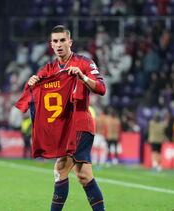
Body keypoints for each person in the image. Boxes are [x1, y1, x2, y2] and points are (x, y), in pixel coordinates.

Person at [21, 25, 106, 211]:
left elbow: (101, 88)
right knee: (84, 176)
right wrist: (31, 84)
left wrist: (83, 77)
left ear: (70, 42)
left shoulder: (84, 63)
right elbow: (33, 95)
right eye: (55, 41)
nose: (59, 44)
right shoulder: (48, 69)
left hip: (80, 124)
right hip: (62, 129)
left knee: (60, 169)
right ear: (51, 45)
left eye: (62, 40)